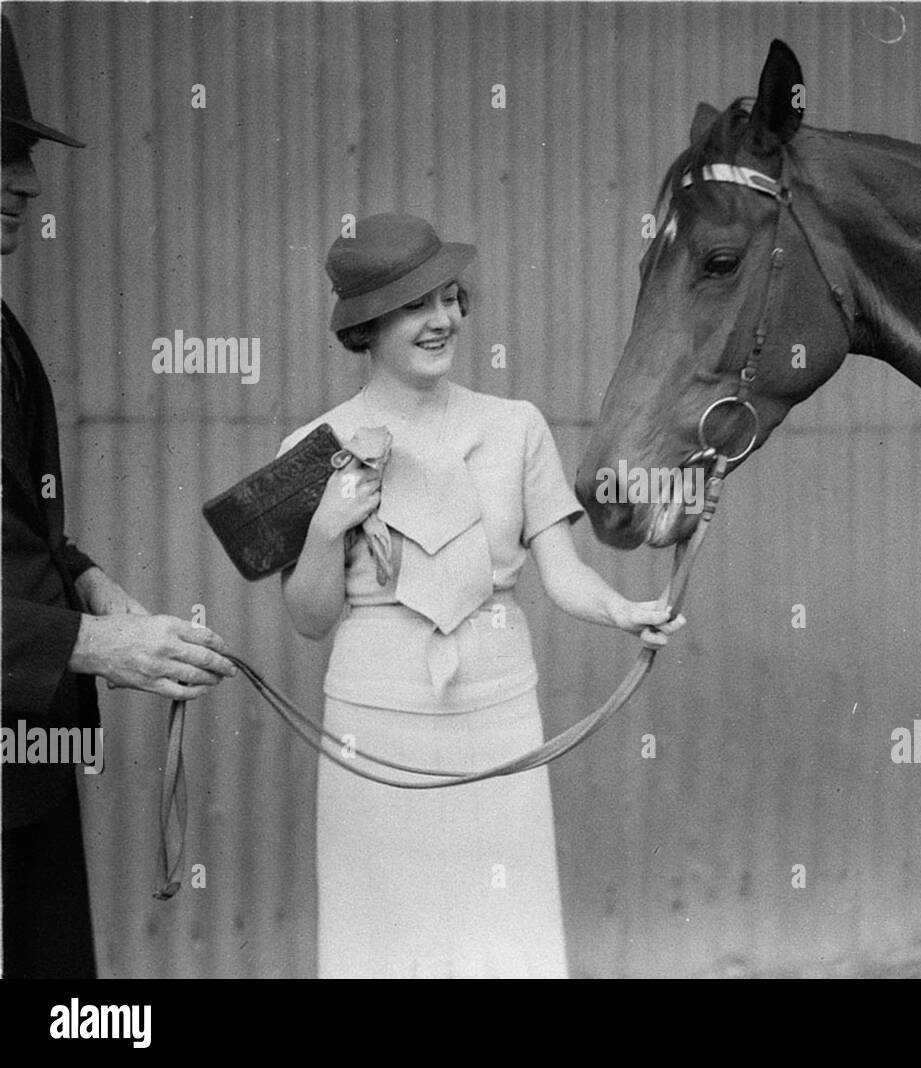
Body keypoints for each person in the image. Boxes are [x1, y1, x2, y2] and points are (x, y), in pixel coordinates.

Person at [278, 212, 683, 978]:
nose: (441, 321)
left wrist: (623, 610)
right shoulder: (314, 447)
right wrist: (327, 528)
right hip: (376, 714)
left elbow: (561, 573)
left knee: (504, 925)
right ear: (365, 324)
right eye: (413, 305)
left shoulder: (515, 426)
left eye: (449, 299)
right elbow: (309, 619)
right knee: (386, 930)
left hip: (496, 707)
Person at [1, 15, 237, 978]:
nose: (28, 185)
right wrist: (99, 646)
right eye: (2, 157)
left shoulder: (8, 339)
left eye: (23, 155)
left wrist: (85, 577)